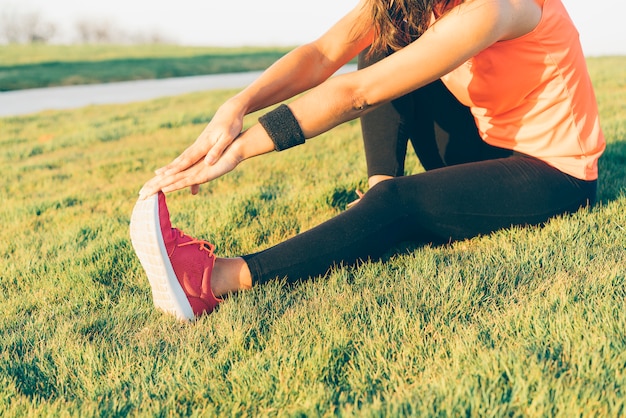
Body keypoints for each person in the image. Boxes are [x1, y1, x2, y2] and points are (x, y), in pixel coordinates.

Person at [130, 0, 605, 321]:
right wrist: (235, 107)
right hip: (485, 142)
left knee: (400, 203)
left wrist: (238, 149)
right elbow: (321, 55)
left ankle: (211, 281)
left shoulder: (498, 7)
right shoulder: (417, 3)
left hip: (553, 173)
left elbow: (357, 96)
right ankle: (381, 186)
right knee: (381, 44)